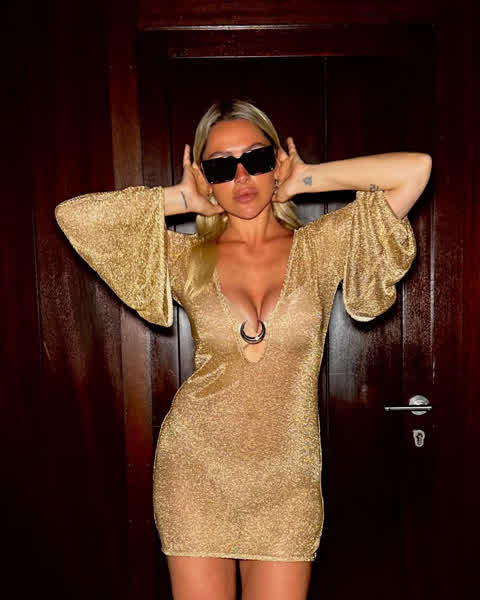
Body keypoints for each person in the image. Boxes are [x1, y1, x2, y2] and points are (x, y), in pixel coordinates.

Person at [55, 98, 432, 600]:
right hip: (196, 468)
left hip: (287, 478)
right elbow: (75, 217)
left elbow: (416, 169)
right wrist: (182, 198)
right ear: (207, 178)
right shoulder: (186, 256)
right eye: (220, 167)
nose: (241, 176)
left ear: (276, 161)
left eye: (255, 159)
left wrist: (306, 178)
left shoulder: (322, 246)